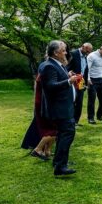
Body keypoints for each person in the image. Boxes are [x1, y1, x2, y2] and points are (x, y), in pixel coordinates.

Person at [40, 40, 78, 176]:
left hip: (64, 106)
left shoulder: (57, 64)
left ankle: (60, 162)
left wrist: (68, 76)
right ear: (56, 53)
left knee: (63, 135)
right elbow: (50, 86)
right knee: (68, 133)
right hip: (59, 108)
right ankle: (60, 166)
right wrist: (69, 81)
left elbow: (58, 80)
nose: (66, 52)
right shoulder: (49, 66)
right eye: (63, 50)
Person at [21, 58, 57, 161]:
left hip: (44, 103)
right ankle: (38, 149)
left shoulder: (45, 69)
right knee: (53, 129)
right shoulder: (47, 70)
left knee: (53, 128)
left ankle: (47, 151)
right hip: (44, 104)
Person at [67, 42, 93, 126]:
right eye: (87, 51)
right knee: (72, 101)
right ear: (83, 47)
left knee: (79, 102)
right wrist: (69, 74)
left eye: (89, 52)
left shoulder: (85, 57)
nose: (88, 53)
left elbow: (85, 71)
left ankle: (76, 121)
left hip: (81, 82)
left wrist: (85, 82)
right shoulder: (73, 54)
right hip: (72, 81)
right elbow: (66, 67)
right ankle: (69, 121)